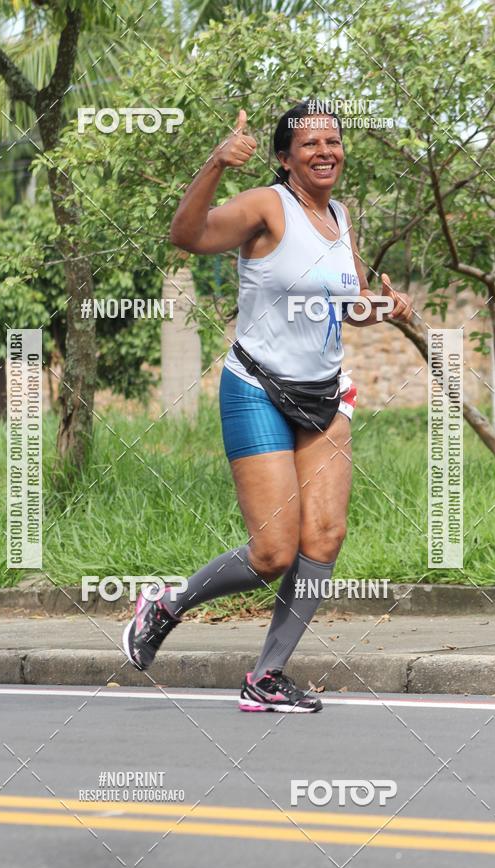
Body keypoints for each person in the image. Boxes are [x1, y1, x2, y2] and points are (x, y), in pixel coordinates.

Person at [123, 100, 413, 713]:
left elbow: (351, 305)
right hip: (257, 387)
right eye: (310, 144)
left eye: (333, 141)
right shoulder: (266, 206)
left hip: (325, 393)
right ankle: (166, 606)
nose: (325, 151)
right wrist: (215, 164)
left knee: (324, 537)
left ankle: (267, 676)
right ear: (285, 157)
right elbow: (186, 236)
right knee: (273, 553)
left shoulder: (340, 216)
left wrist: (387, 307)